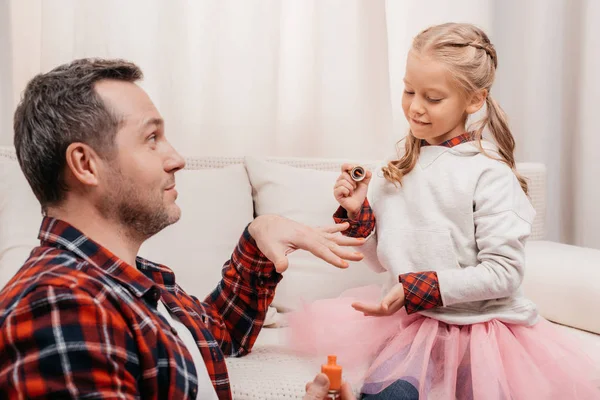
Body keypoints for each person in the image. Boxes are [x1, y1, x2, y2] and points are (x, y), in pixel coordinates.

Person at [0, 58, 367, 399]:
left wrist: (258, 238)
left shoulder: (132, 282)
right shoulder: (61, 309)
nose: (176, 159)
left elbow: (215, 337)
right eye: (151, 139)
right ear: (85, 164)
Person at [289, 23, 599, 399]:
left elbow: (504, 273)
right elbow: (382, 262)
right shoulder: (395, 170)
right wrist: (359, 214)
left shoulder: (489, 174)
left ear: (474, 100)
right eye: (408, 91)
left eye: (433, 98)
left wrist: (416, 288)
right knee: (385, 394)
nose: (415, 107)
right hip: (414, 330)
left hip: (483, 332)